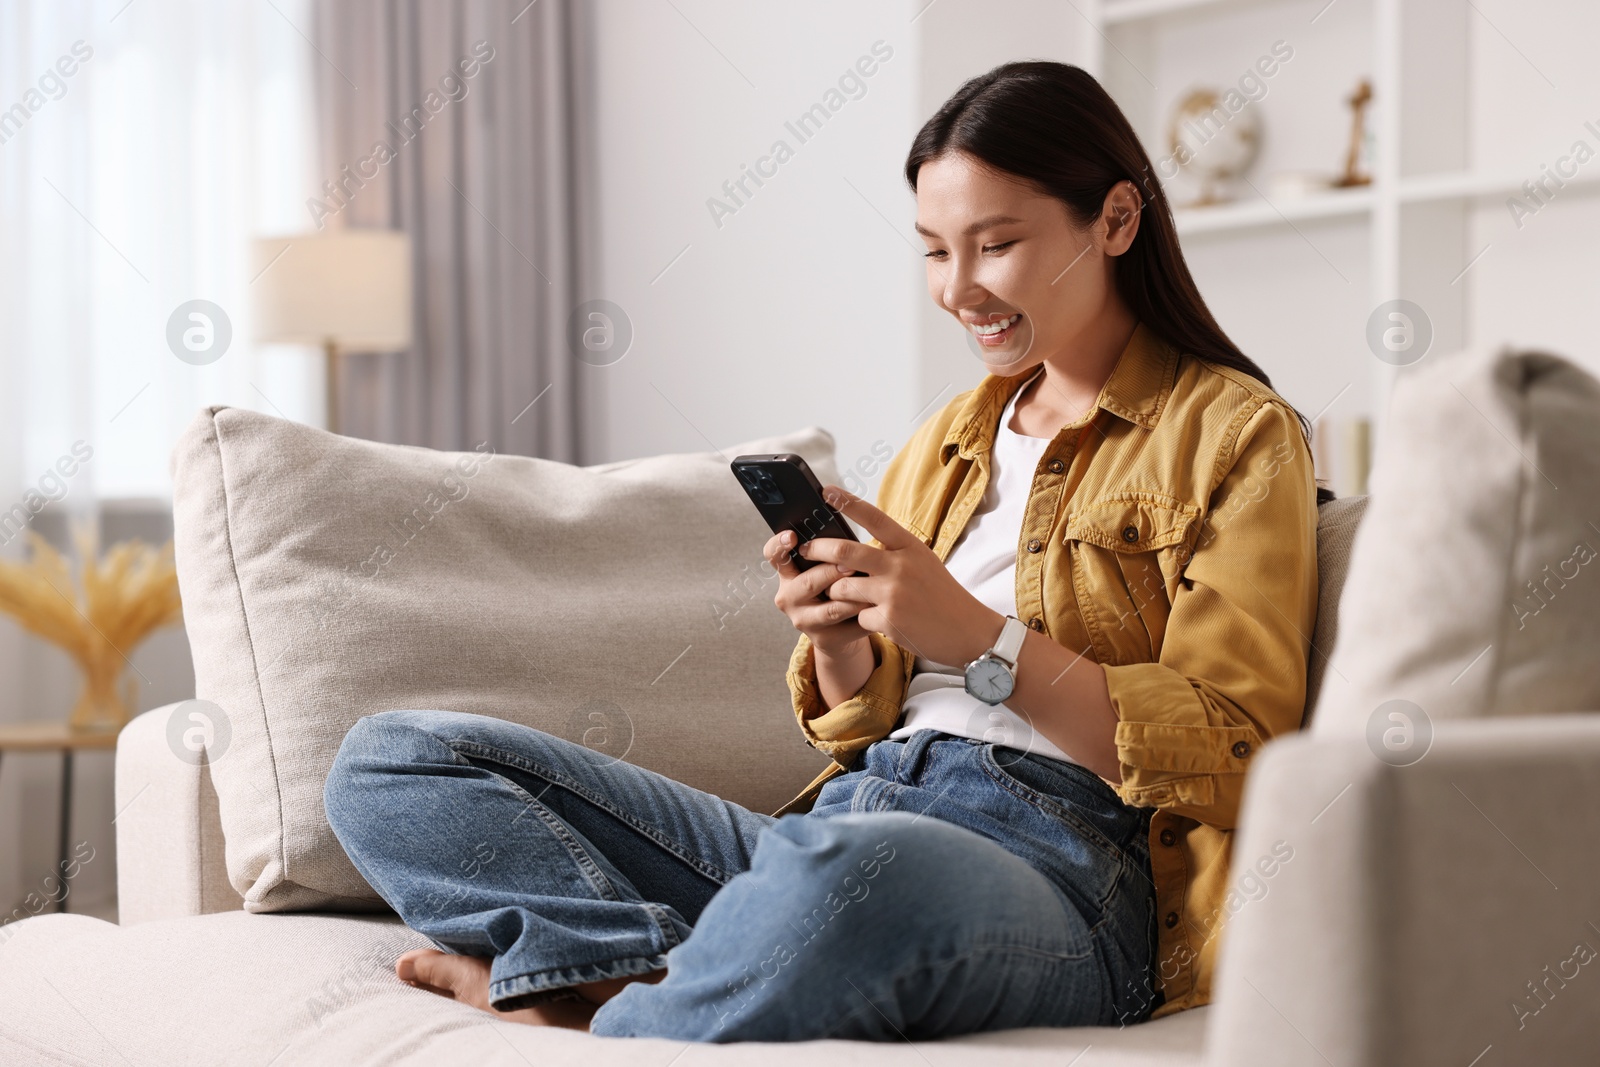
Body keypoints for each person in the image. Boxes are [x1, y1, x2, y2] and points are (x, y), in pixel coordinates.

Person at [323, 59, 1321, 1043]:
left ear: (1112, 219)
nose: (957, 288)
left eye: (996, 244)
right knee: (393, 760)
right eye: (934, 251)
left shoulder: (1236, 435)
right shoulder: (949, 438)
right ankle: (648, 962)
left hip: (1061, 866)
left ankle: (599, 1008)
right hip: (849, 818)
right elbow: (862, 727)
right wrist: (844, 638)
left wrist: (983, 640)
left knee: (847, 879)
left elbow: (1238, 748)